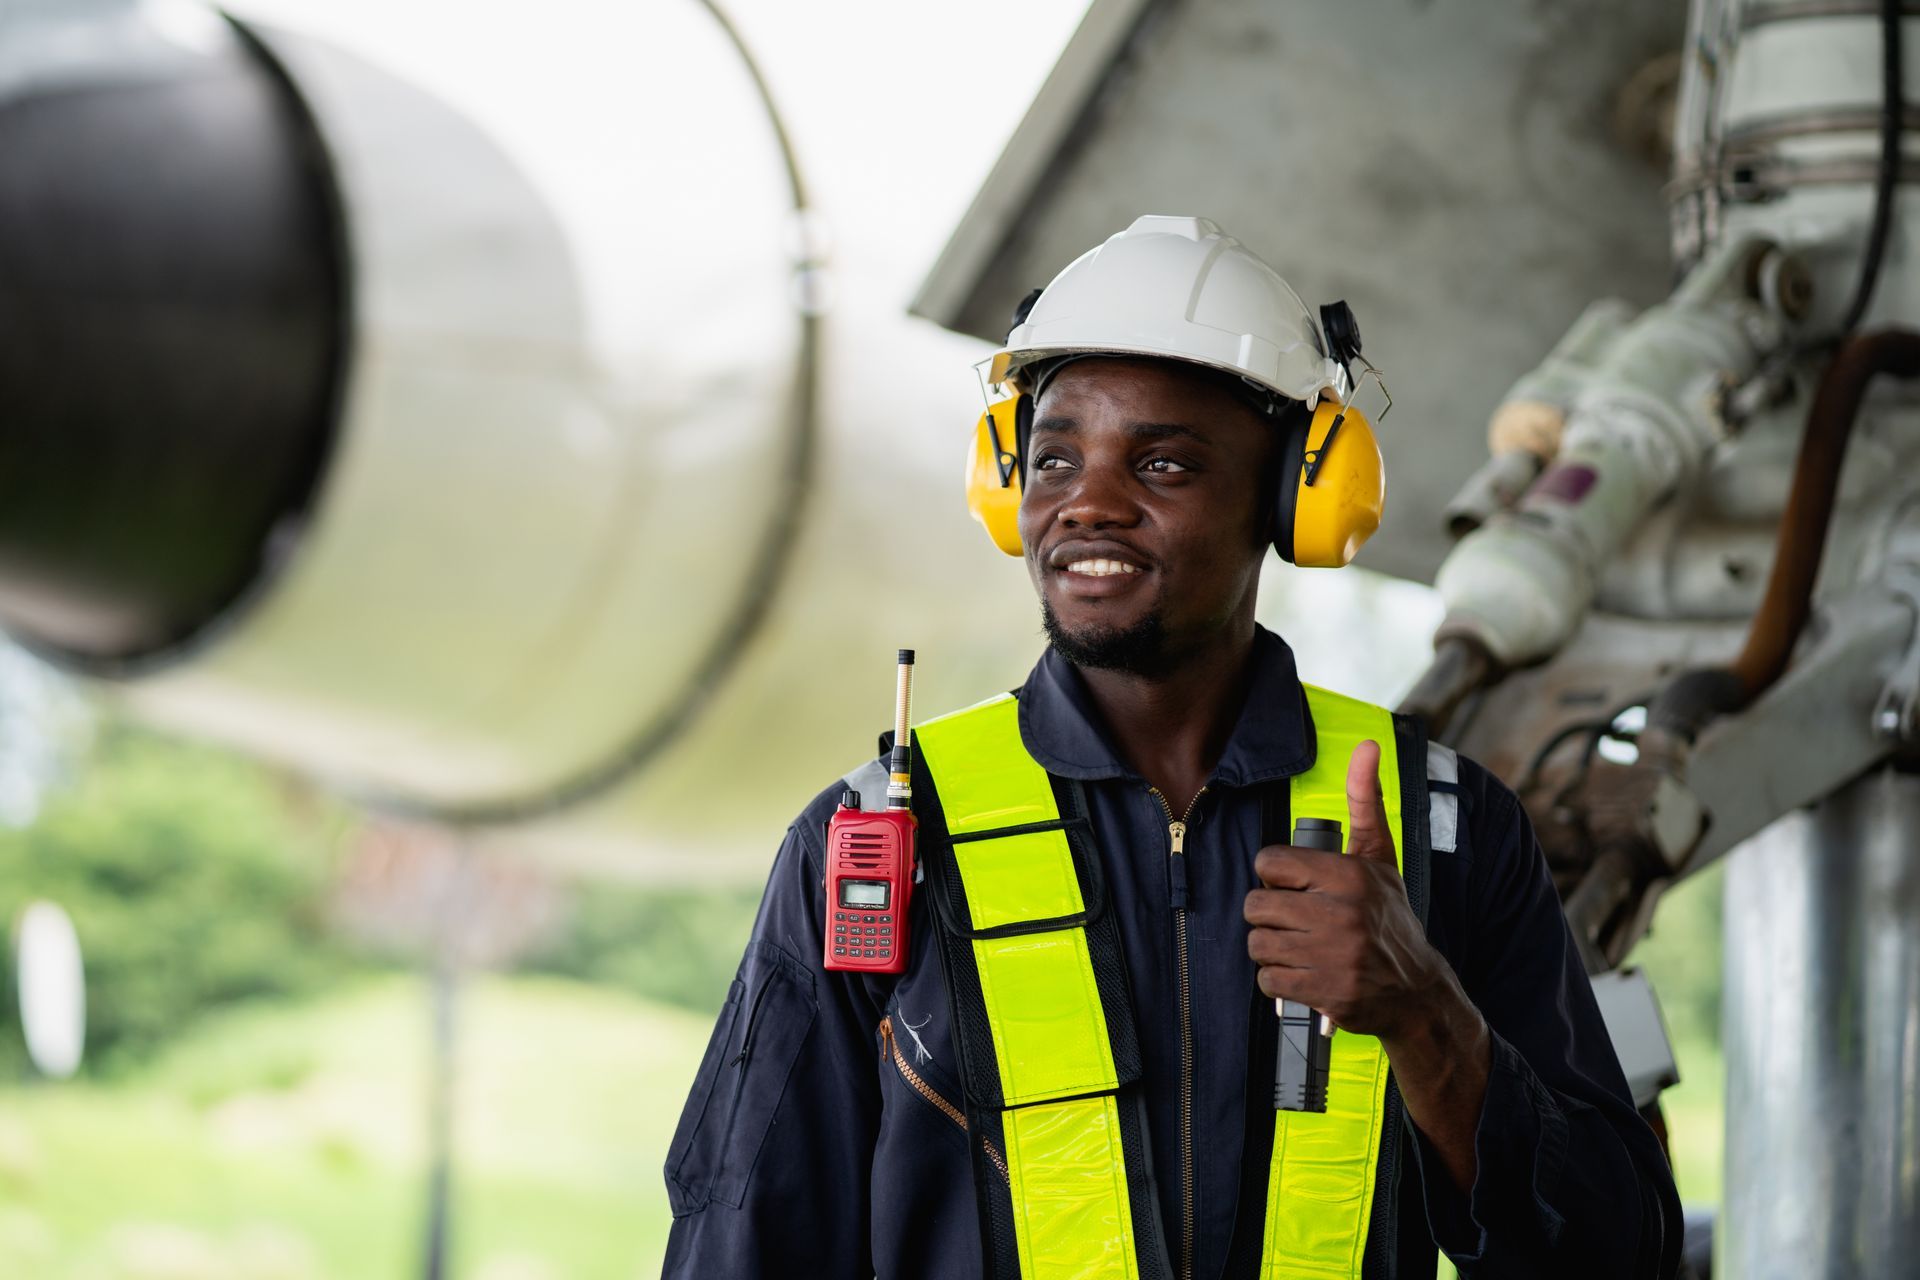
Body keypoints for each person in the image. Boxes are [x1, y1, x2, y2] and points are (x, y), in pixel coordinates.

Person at [660, 216, 1680, 1279]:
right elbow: (743, 1246)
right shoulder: (877, 843)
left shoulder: (1448, 832)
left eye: (1162, 462)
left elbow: (1621, 1254)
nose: (1088, 502)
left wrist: (1426, 1016)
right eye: (1052, 458)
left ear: (1294, 493)